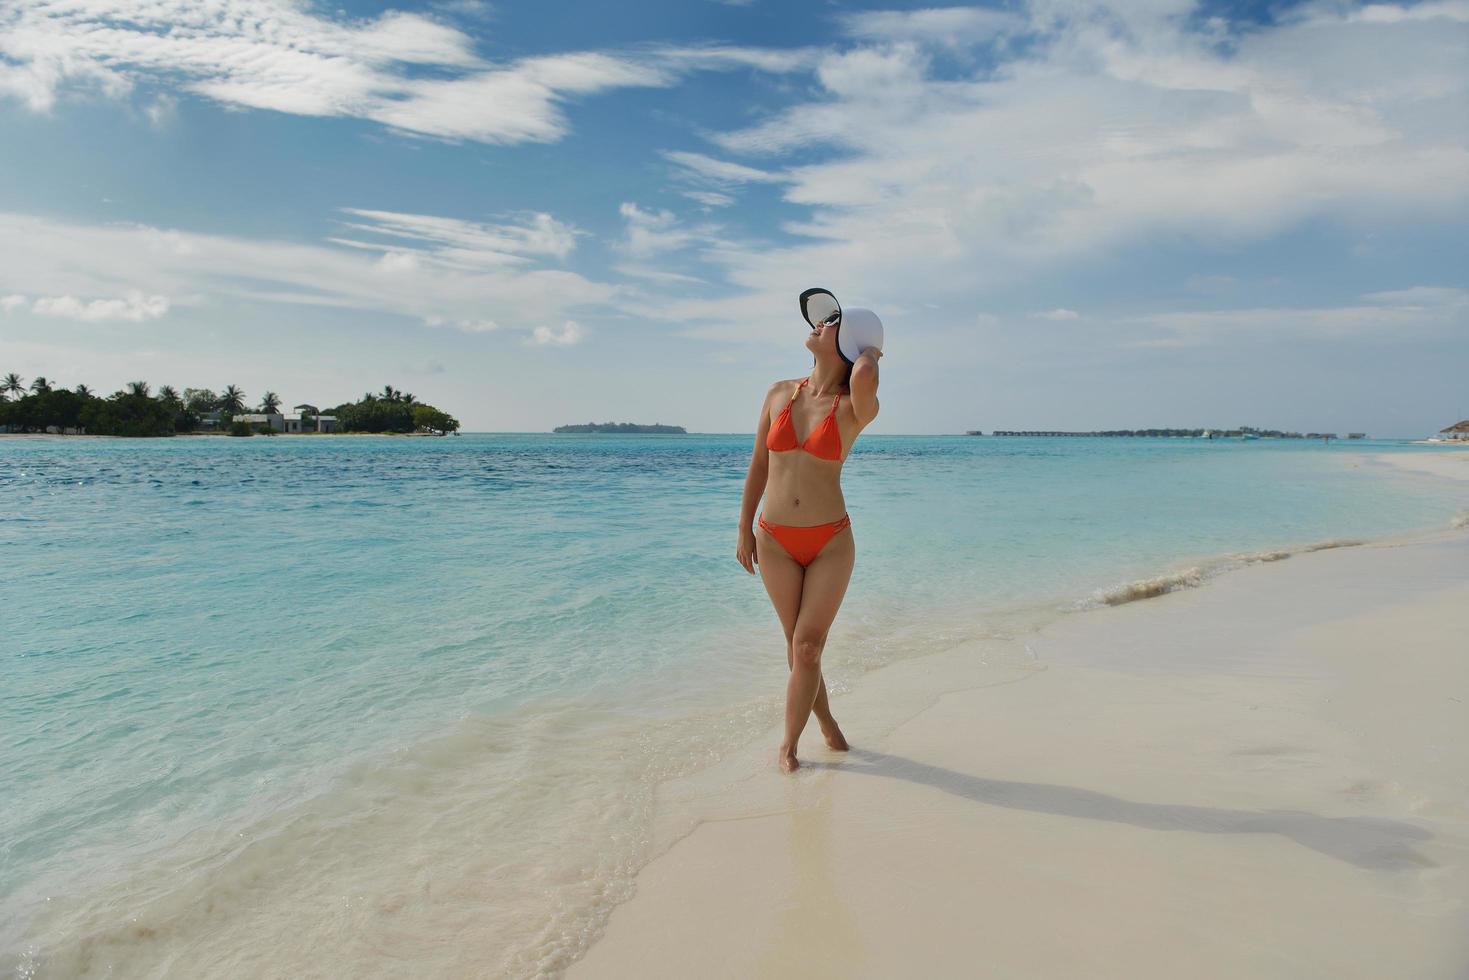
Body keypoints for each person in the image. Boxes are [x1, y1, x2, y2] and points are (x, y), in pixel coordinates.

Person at [735, 296, 882, 773]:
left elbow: (864, 377)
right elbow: (759, 465)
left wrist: (868, 349)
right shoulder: (779, 392)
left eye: (832, 323)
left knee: (807, 647)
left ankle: (788, 747)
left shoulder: (855, 405)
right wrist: (744, 530)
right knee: (797, 645)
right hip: (773, 539)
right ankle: (828, 724)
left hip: (829, 544)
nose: (819, 324)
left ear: (848, 344)